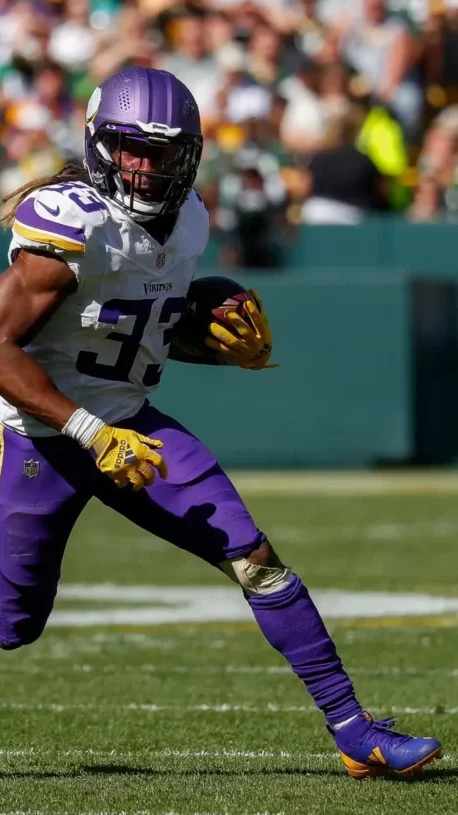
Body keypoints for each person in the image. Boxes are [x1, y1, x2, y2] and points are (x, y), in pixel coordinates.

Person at [0, 66, 442, 780]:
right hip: (39, 437)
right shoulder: (69, 221)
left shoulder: (192, 218)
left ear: (192, 153)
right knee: (10, 625)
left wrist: (217, 345)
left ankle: (356, 732)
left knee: (255, 557)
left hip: (133, 426)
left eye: (161, 151)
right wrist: (88, 431)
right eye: (129, 148)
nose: (144, 168)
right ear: (97, 144)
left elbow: (131, 332)